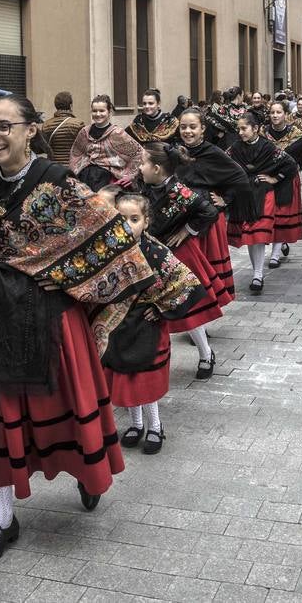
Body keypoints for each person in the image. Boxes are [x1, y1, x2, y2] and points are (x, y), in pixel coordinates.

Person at [0, 95, 155, 566]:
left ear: (30, 130)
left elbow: (115, 240)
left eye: (6, 126)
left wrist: (64, 273)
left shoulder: (61, 183)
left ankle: (86, 472)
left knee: (65, 410)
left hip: (49, 319)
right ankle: (3, 519)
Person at [102, 192, 203, 456]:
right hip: (118, 327)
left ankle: (155, 426)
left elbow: (187, 283)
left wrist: (161, 307)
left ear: (146, 221)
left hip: (146, 327)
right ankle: (135, 425)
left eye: (134, 219)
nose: (127, 225)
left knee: (143, 382)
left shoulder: (157, 252)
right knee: (125, 378)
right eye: (120, 219)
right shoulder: (106, 250)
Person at [136, 141, 224, 379]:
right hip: (146, 256)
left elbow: (209, 212)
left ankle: (206, 354)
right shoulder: (140, 186)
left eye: (142, 163)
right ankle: (148, 362)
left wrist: (186, 230)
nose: (139, 167)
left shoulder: (180, 192)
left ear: (156, 168)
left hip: (176, 257)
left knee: (187, 308)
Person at [175, 108, 254, 329]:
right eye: (183, 127)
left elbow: (238, 176)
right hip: (184, 219)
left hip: (208, 221)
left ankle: (203, 322)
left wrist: (226, 199)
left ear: (202, 129)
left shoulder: (213, 152)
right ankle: (195, 321)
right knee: (188, 271)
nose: (188, 131)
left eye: (193, 127)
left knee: (204, 272)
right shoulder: (176, 152)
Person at [227, 113, 297, 295]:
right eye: (239, 129)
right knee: (250, 237)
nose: (240, 132)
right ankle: (256, 272)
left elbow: (290, 164)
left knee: (258, 235)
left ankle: (258, 274)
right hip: (244, 196)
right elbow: (223, 164)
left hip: (263, 194)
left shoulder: (268, 147)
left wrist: (275, 178)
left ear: (255, 128)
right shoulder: (234, 148)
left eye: (244, 128)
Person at [263, 100, 302, 267]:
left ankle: (275, 254)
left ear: (285, 114)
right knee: (270, 216)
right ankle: (281, 242)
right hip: (268, 179)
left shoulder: (295, 133)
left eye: (279, 112)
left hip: (288, 180)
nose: (275, 115)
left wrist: (299, 163)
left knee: (282, 216)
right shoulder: (263, 133)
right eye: (272, 112)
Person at [69, 94, 142, 191]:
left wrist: (129, 175)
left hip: (108, 180)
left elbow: (138, 153)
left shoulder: (117, 133)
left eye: (102, 111)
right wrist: (74, 171)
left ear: (109, 112)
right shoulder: (84, 132)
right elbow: (76, 153)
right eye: (95, 111)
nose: (98, 114)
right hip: (84, 178)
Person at [40, 91, 85, 165]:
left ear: (56, 106)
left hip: (53, 168)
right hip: (72, 167)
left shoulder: (46, 125)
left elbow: (43, 148)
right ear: (70, 105)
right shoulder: (78, 124)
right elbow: (84, 148)